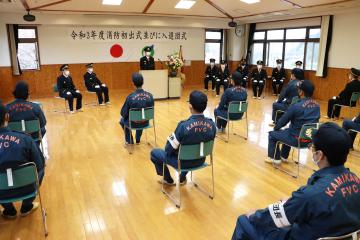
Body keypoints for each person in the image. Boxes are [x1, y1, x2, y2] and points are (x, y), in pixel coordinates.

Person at [232, 122, 360, 240]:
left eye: (312, 147)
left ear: (319, 155)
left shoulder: (310, 195)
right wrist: (294, 204)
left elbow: (270, 218)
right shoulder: (356, 180)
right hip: (331, 232)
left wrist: (254, 215)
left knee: (244, 221)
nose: (312, 150)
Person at [150, 91, 216, 185]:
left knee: (154, 153)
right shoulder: (212, 124)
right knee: (189, 154)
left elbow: (168, 149)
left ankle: (168, 179)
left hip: (182, 163)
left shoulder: (183, 126)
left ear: (190, 106)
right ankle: (182, 178)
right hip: (201, 160)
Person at [0, 102, 45, 219]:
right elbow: (40, 166)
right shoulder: (25, 139)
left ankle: (9, 210)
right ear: (7, 117)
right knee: (39, 169)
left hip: (1, 193)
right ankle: (26, 206)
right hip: (27, 189)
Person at [266, 80, 320, 164]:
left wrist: (275, 128)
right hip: (310, 139)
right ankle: (283, 156)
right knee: (287, 131)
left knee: (272, 135)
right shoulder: (317, 106)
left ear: (301, 92)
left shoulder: (296, 105)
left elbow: (282, 121)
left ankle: (275, 158)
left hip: (297, 139)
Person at [120, 73, 154, 145]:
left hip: (133, 123)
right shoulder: (150, 96)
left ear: (133, 83)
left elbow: (123, 113)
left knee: (122, 120)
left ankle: (130, 141)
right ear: (143, 82)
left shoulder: (130, 97)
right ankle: (138, 139)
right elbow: (151, 108)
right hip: (145, 122)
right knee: (142, 115)